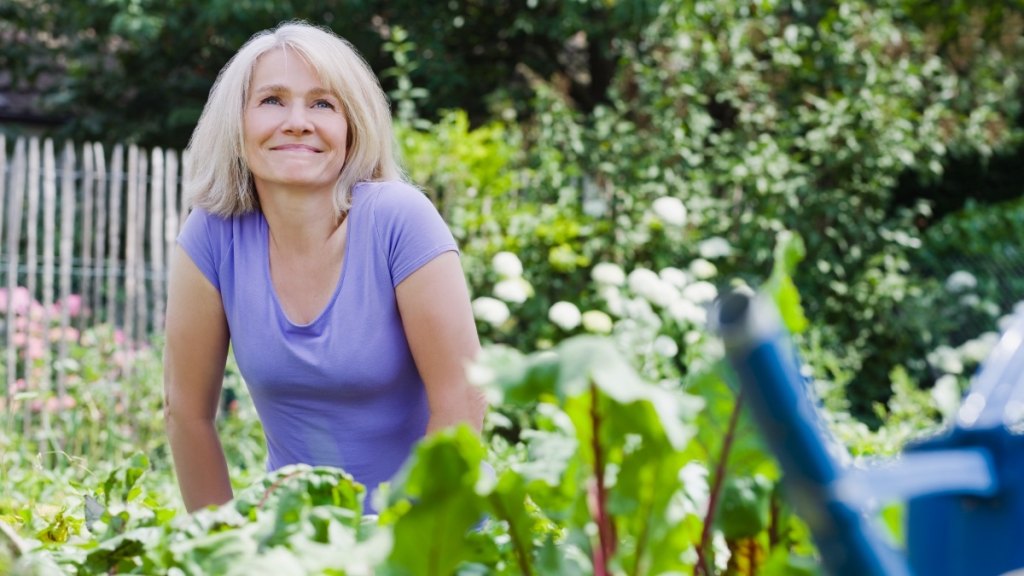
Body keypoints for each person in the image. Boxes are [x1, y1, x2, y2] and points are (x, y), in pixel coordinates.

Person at [163, 21, 487, 514]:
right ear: (237, 126)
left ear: (351, 128)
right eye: (272, 100)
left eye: (322, 104)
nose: (297, 121)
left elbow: (462, 401)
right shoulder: (213, 235)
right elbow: (185, 413)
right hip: (300, 545)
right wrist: (219, 550)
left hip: (430, 536)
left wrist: (404, 550)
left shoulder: (400, 220)